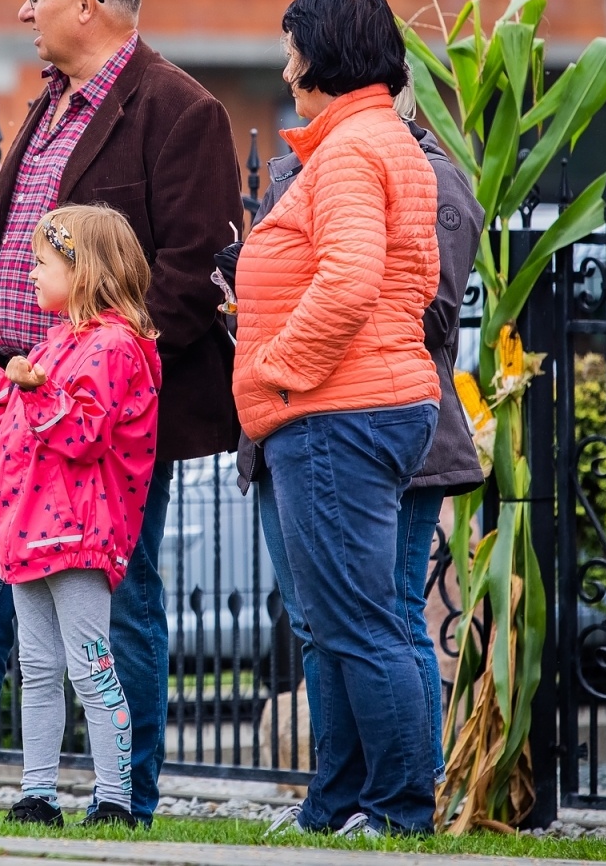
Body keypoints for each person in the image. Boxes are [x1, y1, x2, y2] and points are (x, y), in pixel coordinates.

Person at [0, 0, 242, 825]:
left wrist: (99, 373)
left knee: (122, 605)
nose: (23, 11)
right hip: (8, 409)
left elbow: (194, 272)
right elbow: (8, 263)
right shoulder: (45, 105)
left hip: (102, 423)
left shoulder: (179, 110)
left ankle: (127, 800)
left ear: (87, 3)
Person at [221, 75, 484, 835]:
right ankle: (339, 802)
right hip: (307, 414)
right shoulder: (322, 157)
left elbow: (397, 300)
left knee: (385, 619)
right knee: (327, 623)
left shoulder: (393, 162)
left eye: (294, 58)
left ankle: (400, 805)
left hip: (355, 411)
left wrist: (276, 362)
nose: (286, 75)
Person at [0, 205, 162, 829]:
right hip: (32, 535)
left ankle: (116, 800)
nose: (31, 273)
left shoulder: (116, 346)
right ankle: (38, 794)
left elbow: (83, 434)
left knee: (92, 666)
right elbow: (14, 433)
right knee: (37, 670)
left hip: (78, 535)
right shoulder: (57, 341)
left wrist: (33, 388)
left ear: (84, 270)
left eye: (42, 262)